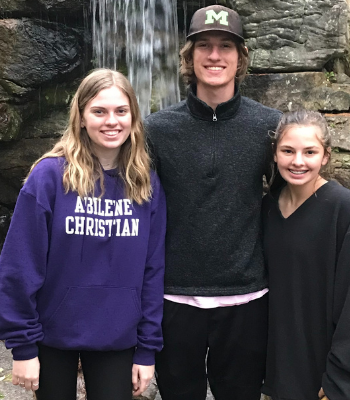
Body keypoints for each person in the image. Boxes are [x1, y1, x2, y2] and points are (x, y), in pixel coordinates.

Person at [0, 69, 166, 400]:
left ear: (133, 118)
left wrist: (147, 349)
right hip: (51, 335)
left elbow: (153, 270)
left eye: (121, 111)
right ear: (82, 117)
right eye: (99, 111)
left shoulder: (146, 184)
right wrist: (22, 346)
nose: (111, 121)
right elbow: (19, 263)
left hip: (117, 335)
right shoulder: (49, 177)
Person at [144, 4, 281, 400]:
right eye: (204, 45)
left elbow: (293, 197)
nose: (215, 55)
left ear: (240, 59)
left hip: (247, 297)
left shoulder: (267, 125)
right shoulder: (157, 128)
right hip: (175, 296)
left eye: (226, 46)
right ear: (190, 57)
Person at [261, 109, 350, 400]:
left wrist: (343, 380)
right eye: (288, 151)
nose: (298, 161)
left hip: (333, 383)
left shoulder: (344, 209)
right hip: (286, 374)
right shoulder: (268, 209)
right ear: (275, 153)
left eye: (310, 152)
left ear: (325, 156)